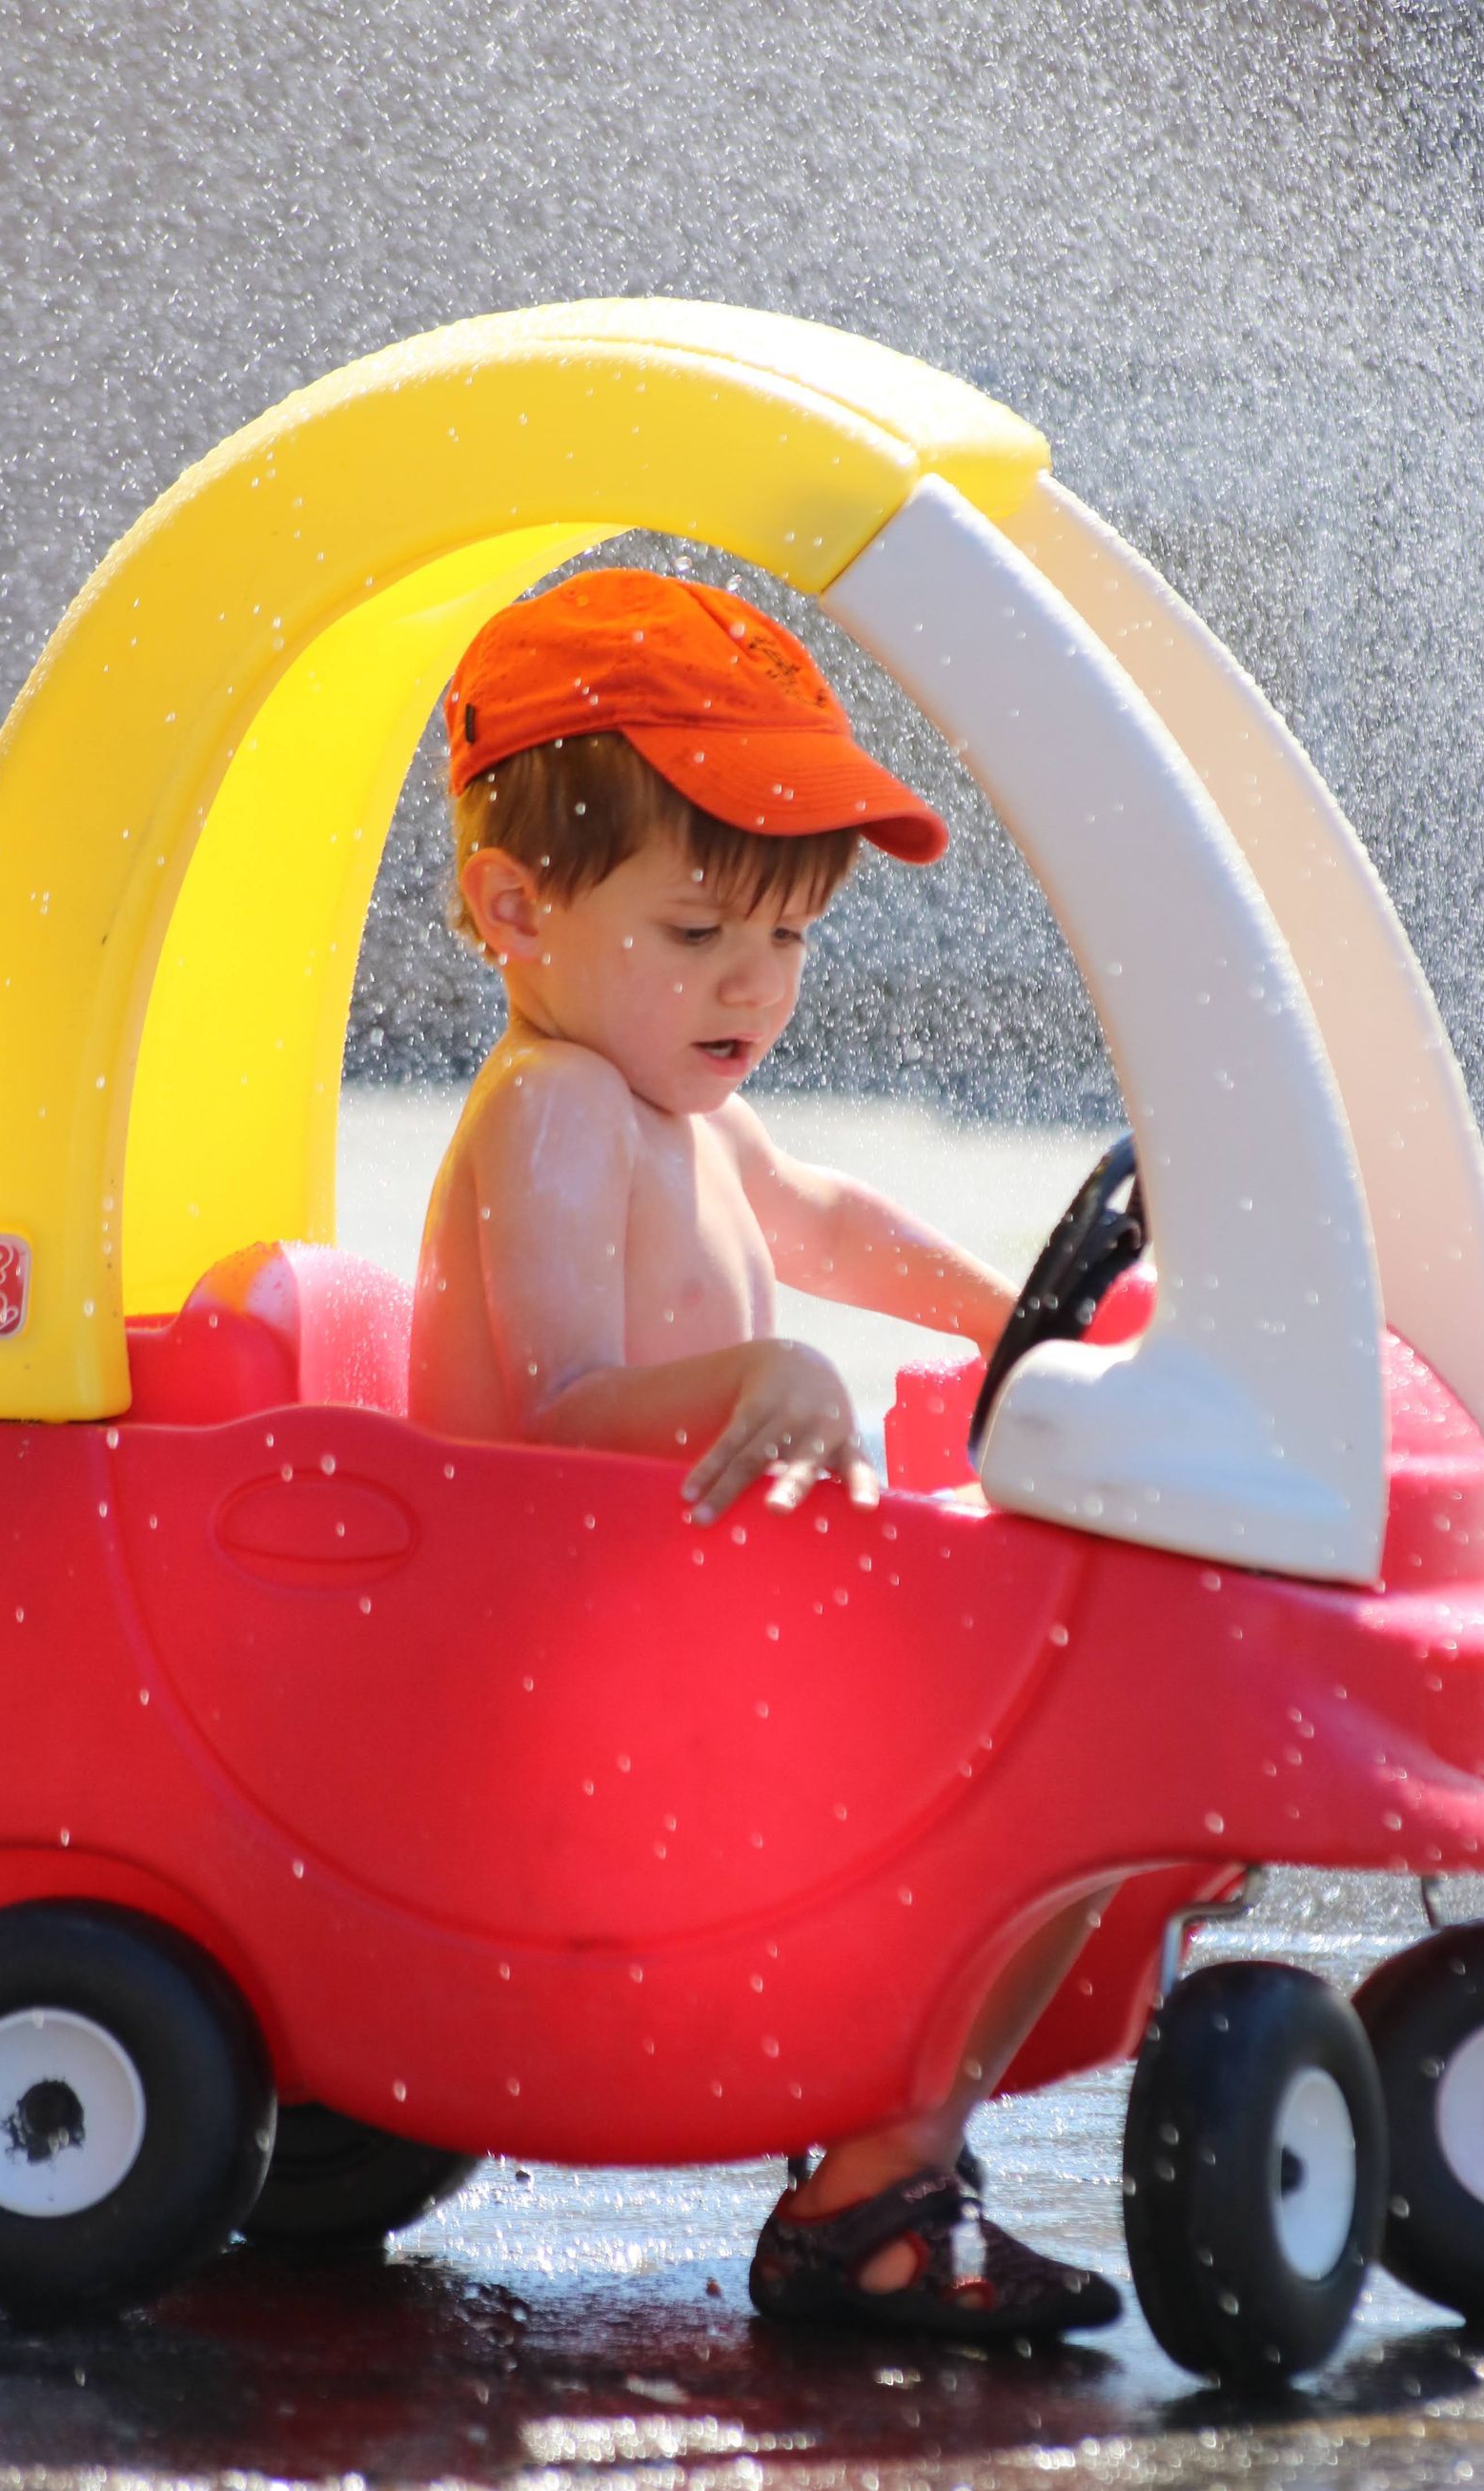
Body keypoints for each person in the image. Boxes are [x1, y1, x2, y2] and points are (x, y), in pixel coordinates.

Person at [411, 565, 1119, 2342]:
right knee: (993, 1791)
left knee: (999, 1740)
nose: (755, 984)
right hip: (546, 1689)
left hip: (653, 1656)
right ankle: (874, 2200)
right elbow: (566, 1405)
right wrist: (763, 1376)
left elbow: (819, 1212)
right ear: (515, 904)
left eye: (791, 938)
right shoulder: (558, 1109)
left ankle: (891, 2156)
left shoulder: (666, 1098)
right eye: (697, 931)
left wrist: (1012, 1319)